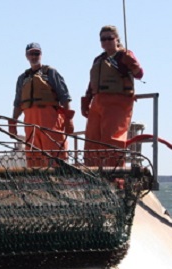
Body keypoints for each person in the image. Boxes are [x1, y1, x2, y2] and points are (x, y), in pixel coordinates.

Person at [81, 25, 144, 167]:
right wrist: (87, 100)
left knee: (111, 139)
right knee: (92, 139)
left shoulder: (125, 56)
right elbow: (92, 83)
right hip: (98, 102)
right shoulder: (98, 60)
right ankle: (92, 172)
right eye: (103, 39)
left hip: (118, 102)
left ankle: (115, 174)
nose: (106, 41)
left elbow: (139, 74)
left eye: (110, 38)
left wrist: (133, 64)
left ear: (117, 39)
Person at [9, 42, 75, 167]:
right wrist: (13, 122)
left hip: (50, 119)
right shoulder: (22, 78)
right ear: (26, 56)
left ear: (41, 54)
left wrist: (69, 120)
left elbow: (65, 97)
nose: (34, 56)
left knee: (55, 155)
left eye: (36, 53)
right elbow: (18, 103)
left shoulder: (51, 73)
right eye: (31, 54)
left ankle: (58, 182)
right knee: (34, 157)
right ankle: (37, 185)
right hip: (30, 121)